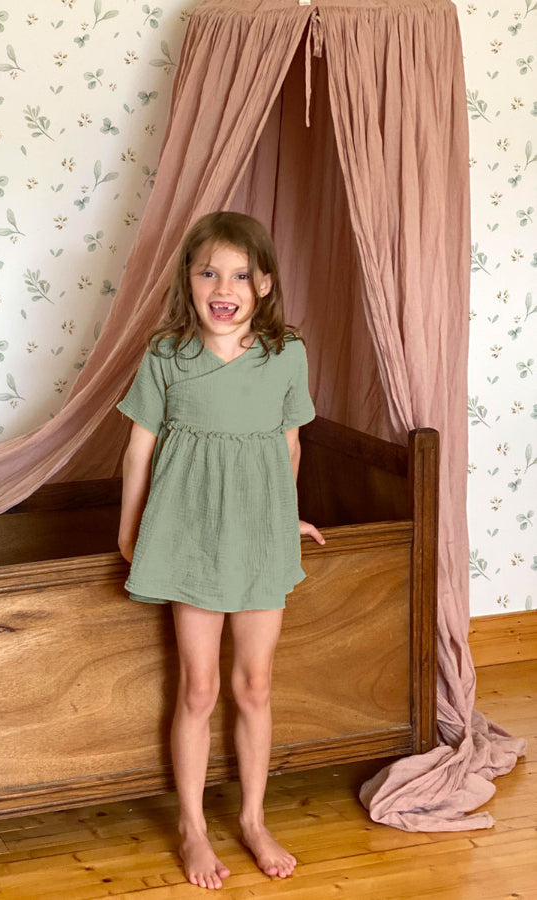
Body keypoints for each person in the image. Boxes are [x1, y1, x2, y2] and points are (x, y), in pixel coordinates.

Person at [117, 211, 325, 890]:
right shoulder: (167, 355)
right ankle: (192, 827)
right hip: (190, 537)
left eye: (239, 274)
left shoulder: (286, 354)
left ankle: (254, 820)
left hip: (259, 536)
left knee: (255, 684)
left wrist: (286, 520)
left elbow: (289, 446)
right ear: (189, 279)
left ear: (263, 283)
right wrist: (130, 530)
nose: (223, 288)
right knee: (199, 686)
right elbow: (139, 450)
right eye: (209, 272)